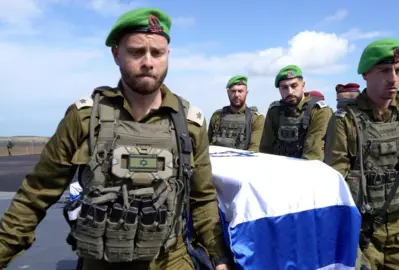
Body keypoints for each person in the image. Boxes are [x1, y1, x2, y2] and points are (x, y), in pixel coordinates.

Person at [0, 7, 233, 270]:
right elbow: (35, 195)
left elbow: (201, 198)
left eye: (157, 52)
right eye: (136, 52)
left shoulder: (190, 122)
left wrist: (219, 257)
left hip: (169, 260)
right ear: (116, 54)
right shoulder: (86, 118)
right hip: (102, 261)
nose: (148, 62)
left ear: (168, 55)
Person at [324, 38, 399, 270]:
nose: (393, 78)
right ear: (365, 74)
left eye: (398, 70)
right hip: (362, 235)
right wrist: (348, 244)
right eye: (384, 71)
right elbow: (335, 188)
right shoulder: (346, 121)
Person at [259, 65, 333, 160]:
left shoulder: (319, 111)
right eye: (284, 87)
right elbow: (266, 149)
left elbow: (313, 154)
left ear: (303, 85)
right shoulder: (275, 111)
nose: (290, 92)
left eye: (294, 86)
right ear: (279, 90)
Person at [208, 75, 265, 151]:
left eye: (240, 91)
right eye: (233, 91)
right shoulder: (217, 116)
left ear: (246, 93)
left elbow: (254, 149)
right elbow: (206, 145)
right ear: (228, 93)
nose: (236, 95)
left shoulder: (256, 118)